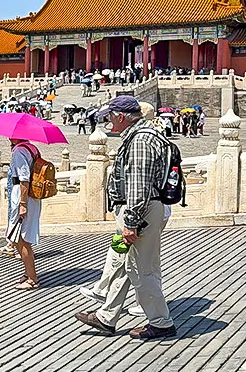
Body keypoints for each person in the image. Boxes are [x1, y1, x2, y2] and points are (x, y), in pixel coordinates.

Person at [74, 95, 177, 340]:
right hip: (139, 211)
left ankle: (161, 322)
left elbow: (139, 186)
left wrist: (131, 222)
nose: (108, 122)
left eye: (110, 117)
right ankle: (106, 317)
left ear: (120, 117)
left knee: (141, 270)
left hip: (139, 214)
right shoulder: (138, 135)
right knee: (122, 261)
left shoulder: (141, 141)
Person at [6, 138, 42, 290]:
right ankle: (28, 273)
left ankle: (32, 278)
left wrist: (22, 204)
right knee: (18, 237)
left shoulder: (20, 151)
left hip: (23, 196)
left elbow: (24, 178)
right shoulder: (31, 148)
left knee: (20, 238)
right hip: (31, 197)